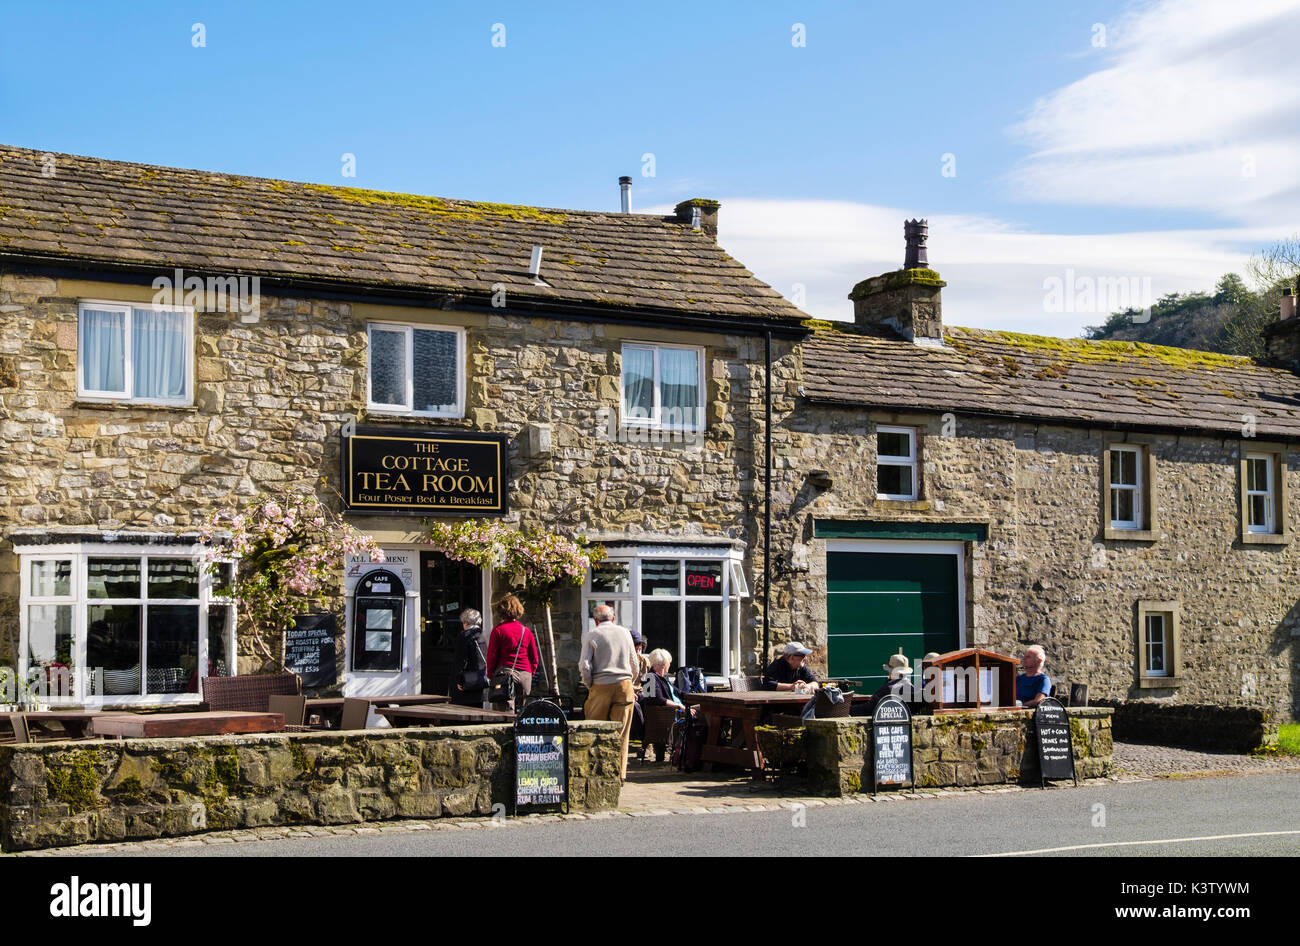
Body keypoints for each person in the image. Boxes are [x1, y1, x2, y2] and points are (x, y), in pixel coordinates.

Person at [580, 603, 638, 783]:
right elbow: (634, 663)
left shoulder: (592, 635)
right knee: (621, 733)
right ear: (613, 618)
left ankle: (595, 772)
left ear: (596, 621)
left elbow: (585, 665)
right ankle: (619, 775)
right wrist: (630, 681)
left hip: (600, 685)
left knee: (595, 729)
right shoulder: (625, 633)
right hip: (624, 686)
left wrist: (590, 685)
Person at [486, 595, 539, 712]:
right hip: (525, 674)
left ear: (501, 611)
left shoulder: (498, 631)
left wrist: (490, 675)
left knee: (506, 712)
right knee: (522, 711)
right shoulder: (526, 631)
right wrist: (530, 673)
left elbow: (492, 656)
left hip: (506, 673)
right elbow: (534, 658)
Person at [450, 608, 488, 707]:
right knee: (478, 706)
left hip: (467, 679)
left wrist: (458, 679)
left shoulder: (464, 636)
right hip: (481, 676)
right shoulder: (484, 635)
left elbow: (461, 659)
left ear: (466, 622)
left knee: (464, 708)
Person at [1016, 644, 1051, 709]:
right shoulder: (1019, 678)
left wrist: (1019, 706)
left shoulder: (1043, 679)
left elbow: (1038, 701)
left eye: (1028, 657)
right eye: (1024, 656)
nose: (1024, 659)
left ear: (1039, 661)